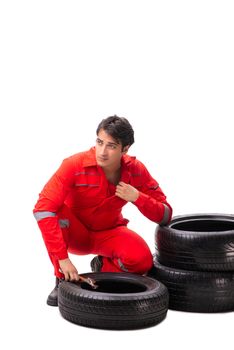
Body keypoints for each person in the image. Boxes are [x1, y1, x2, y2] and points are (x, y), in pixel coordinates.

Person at [33, 115, 172, 306]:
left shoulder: (136, 170)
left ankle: (103, 267)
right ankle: (61, 279)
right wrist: (62, 259)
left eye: (111, 146)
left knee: (142, 261)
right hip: (76, 234)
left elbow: (165, 214)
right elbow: (42, 209)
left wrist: (138, 198)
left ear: (125, 149)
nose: (102, 152)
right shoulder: (73, 165)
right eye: (99, 142)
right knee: (54, 212)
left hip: (110, 233)